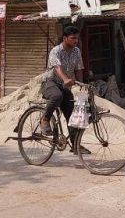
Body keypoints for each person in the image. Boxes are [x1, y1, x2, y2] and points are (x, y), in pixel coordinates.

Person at [40, 26, 90, 154]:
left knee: (73, 116)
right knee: (56, 96)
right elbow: (57, 68)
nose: (76, 41)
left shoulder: (76, 51)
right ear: (65, 38)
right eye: (73, 38)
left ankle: (76, 145)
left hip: (65, 85)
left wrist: (80, 85)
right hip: (50, 82)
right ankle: (45, 120)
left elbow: (79, 69)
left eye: (77, 38)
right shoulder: (55, 51)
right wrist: (65, 79)